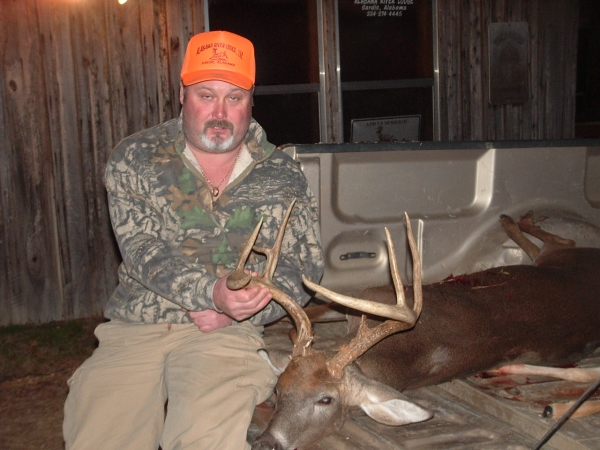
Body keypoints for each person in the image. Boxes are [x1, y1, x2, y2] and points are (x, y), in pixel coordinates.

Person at [63, 30, 324, 450]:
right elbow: (143, 250)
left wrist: (244, 311)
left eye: (234, 97)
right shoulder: (136, 158)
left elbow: (305, 268)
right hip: (138, 324)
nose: (220, 112)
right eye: (206, 95)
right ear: (183, 96)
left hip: (226, 333)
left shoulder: (283, 174)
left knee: (205, 437)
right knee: (102, 435)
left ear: (251, 101)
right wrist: (213, 294)